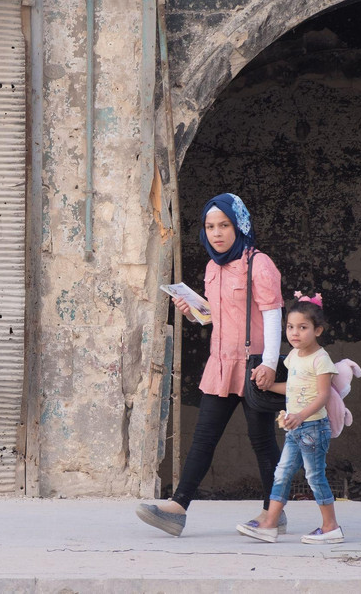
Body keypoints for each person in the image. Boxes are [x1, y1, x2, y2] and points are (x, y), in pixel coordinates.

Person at [136, 193, 285, 537]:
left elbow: (273, 315)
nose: (217, 233)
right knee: (204, 438)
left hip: (254, 367)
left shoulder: (258, 264)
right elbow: (220, 317)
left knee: (262, 441)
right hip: (220, 364)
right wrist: (194, 313)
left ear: (239, 226)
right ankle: (177, 508)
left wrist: (271, 364)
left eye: (224, 225)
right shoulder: (212, 266)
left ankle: (273, 510)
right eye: (210, 226)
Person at [236, 292, 344, 544]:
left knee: (314, 476)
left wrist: (300, 415)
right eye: (290, 327)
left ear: (318, 330)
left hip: (313, 427)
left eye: (303, 327)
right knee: (282, 473)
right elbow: (293, 388)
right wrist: (268, 386)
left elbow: (322, 396)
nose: (295, 333)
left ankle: (331, 527)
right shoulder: (294, 356)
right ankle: (269, 524)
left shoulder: (321, 359)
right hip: (295, 428)